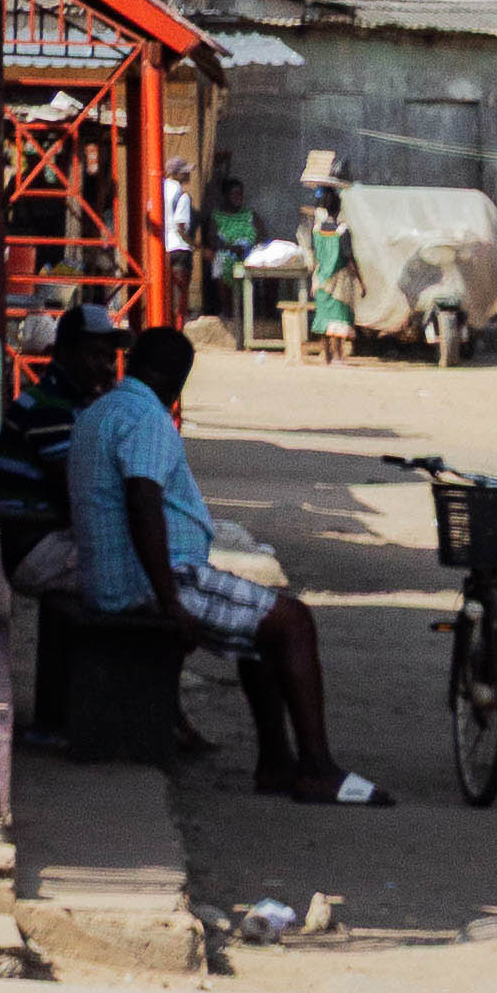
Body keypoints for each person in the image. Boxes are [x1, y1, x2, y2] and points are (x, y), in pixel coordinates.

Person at [72, 323, 391, 805]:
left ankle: (276, 762)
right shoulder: (146, 417)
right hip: (153, 580)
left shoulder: (101, 412)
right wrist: (170, 600)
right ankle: (317, 766)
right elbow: (143, 500)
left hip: (114, 578)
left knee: (258, 634)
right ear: (179, 380)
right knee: (293, 621)